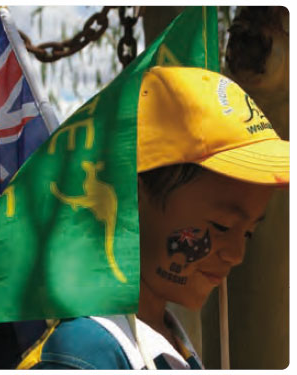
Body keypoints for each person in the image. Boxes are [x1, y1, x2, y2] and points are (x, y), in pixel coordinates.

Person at [16, 66, 289, 370]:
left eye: (248, 232)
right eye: (222, 226)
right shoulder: (84, 357)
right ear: (133, 194)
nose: (237, 254)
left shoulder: (173, 347)